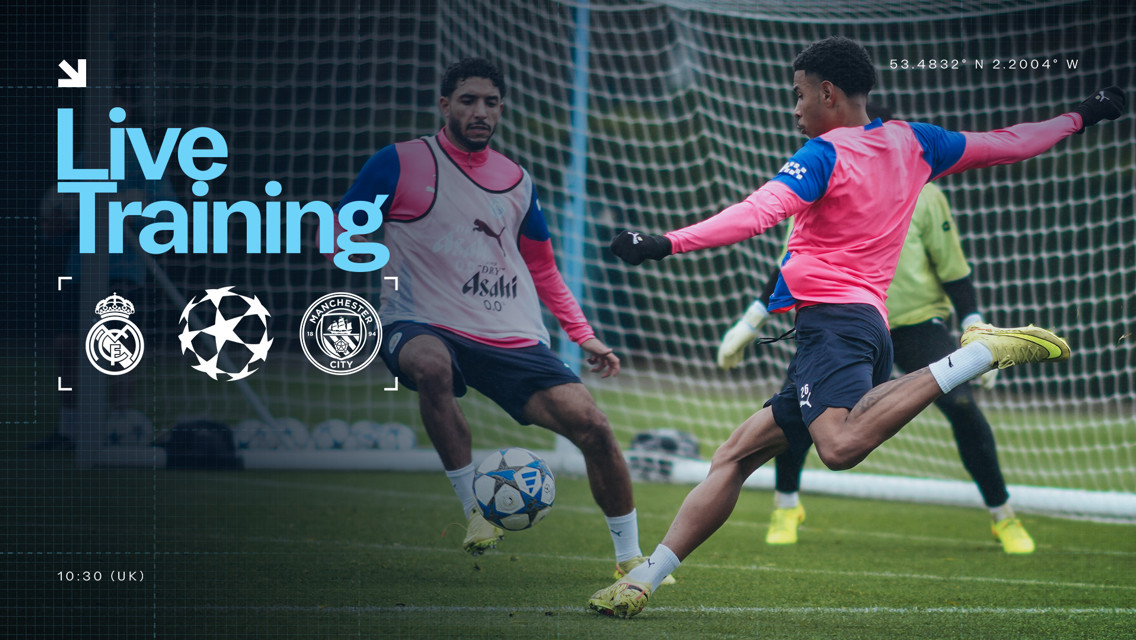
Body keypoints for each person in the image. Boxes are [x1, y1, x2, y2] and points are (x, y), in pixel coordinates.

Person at [590, 36, 1124, 618]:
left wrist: (669, 241)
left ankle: (974, 356)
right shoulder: (917, 141)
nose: (794, 109)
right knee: (735, 455)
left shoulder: (825, 153)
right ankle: (643, 579)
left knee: (839, 447)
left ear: (828, 92)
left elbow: (757, 211)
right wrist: (1083, 115)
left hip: (836, 327)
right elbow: (1008, 142)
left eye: (798, 95)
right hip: (857, 326)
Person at [334, 58, 671, 583]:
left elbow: (543, 267)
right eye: (468, 100)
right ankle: (475, 509)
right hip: (418, 320)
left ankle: (631, 558)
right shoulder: (398, 162)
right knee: (431, 367)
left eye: (491, 103)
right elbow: (340, 233)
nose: (480, 111)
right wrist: (349, 248)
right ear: (445, 105)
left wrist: (584, 335)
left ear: (501, 110)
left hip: (510, 333)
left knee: (596, 428)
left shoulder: (516, 180)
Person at [719, 104, 1032, 553]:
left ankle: (1004, 516)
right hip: (842, 322)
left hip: (913, 323)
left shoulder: (925, 193)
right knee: (800, 411)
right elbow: (793, 263)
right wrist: (750, 321)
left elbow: (953, 270)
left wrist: (972, 322)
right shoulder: (822, 178)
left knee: (962, 406)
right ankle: (786, 506)